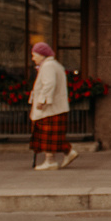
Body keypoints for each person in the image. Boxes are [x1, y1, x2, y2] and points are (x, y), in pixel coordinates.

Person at [27, 40, 79, 171]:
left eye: (34, 55)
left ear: (42, 55)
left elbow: (49, 84)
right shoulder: (53, 65)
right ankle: (68, 152)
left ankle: (50, 161)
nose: (33, 58)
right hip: (55, 108)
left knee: (47, 135)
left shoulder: (48, 66)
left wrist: (42, 101)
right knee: (52, 136)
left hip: (50, 108)